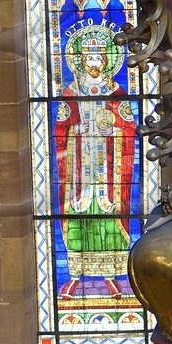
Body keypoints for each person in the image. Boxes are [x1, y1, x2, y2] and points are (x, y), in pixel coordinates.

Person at [53, 23, 138, 298]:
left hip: (107, 170)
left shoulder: (116, 92)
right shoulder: (71, 92)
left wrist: (112, 129)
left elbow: (129, 127)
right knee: (78, 217)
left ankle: (112, 276)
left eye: (97, 58)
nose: (92, 64)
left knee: (108, 218)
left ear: (105, 61)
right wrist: (78, 130)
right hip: (78, 169)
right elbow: (60, 129)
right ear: (80, 61)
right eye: (88, 58)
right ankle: (75, 277)